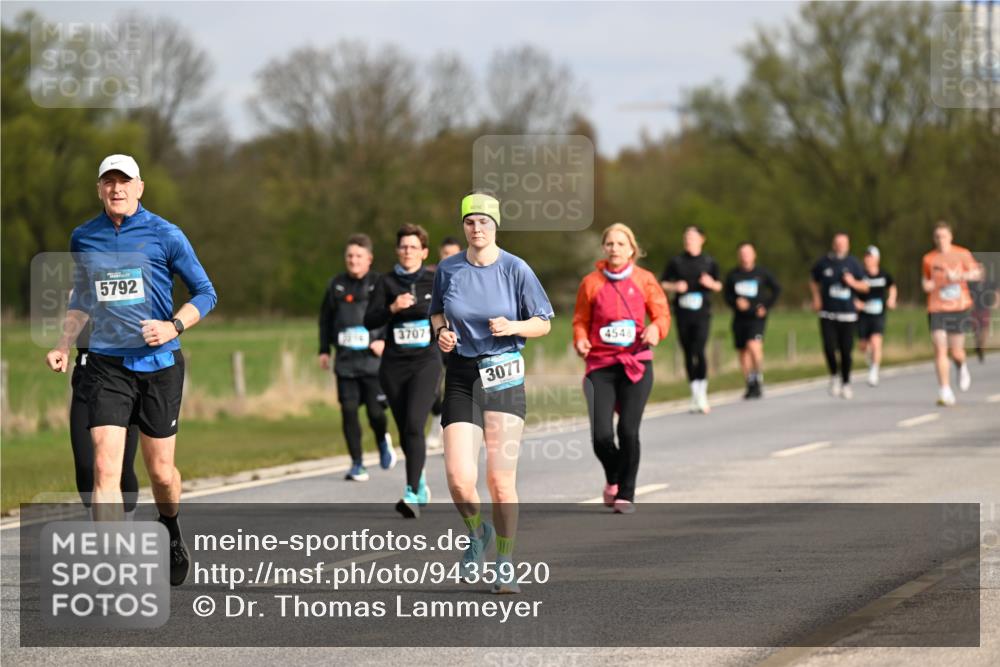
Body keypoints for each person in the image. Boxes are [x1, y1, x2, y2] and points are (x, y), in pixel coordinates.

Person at [45, 154, 217, 586]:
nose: (116, 188)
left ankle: (170, 526)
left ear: (140, 187)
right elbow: (82, 296)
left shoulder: (166, 234)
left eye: (124, 181)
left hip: (159, 366)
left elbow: (205, 292)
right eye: (109, 182)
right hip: (107, 365)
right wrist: (64, 344)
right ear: (99, 189)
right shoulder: (84, 236)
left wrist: (173, 325)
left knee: (161, 473)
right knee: (105, 469)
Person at [430, 191, 553, 594]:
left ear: (495, 225)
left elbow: (543, 322)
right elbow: (437, 312)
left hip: (504, 375)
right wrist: (442, 333)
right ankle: (476, 533)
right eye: (469, 222)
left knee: (500, 481)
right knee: (458, 479)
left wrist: (514, 326)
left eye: (483, 221)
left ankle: (504, 562)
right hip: (462, 374)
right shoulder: (448, 269)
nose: (476, 228)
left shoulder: (516, 269)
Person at [573, 223, 669, 514]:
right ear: (604, 248)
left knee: (628, 430)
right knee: (601, 436)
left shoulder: (644, 279)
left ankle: (626, 492)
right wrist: (580, 339)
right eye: (610, 243)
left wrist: (656, 329)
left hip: (636, 364)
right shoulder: (591, 282)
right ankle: (614, 475)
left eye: (620, 244)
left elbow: (662, 314)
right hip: (600, 366)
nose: (615, 248)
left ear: (631, 250)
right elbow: (580, 320)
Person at [364, 224, 441, 518]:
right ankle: (419, 481)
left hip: (425, 363)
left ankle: (410, 492)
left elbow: (450, 313)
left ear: (424, 252)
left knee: (414, 425)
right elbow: (370, 321)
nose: (408, 251)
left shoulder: (435, 281)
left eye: (413, 247)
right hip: (394, 366)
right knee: (404, 430)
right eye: (403, 247)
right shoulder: (385, 282)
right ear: (397, 251)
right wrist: (392, 308)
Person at [318, 234, 393, 482]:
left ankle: (382, 440)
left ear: (369, 259)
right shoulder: (336, 285)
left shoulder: (379, 283)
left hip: (373, 362)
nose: (353, 260)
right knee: (349, 411)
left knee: (375, 413)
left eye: (358, 256)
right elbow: (325, 320)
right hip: (346, 362)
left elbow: (391, 315)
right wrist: (324, 350)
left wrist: (384, 340)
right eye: (349, 256)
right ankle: (357, 463)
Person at [70, 319, 141, 517]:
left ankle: (127, 522)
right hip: (86, 382)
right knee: (85, 466)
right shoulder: (80, 302)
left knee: (122, 467)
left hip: (124, 383)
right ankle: (93, 522)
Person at [660, 226, 721, 413]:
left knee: (699, 349)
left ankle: (702, 392)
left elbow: (719, 285)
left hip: (702, 313)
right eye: (686, 237)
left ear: (702, 239)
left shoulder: (709, 262)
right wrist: (675, 286)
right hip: (682, 313)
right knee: (687, 351)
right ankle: (694, 393)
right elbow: (662, 283)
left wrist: (710, 283)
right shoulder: (676, 262)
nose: (688, 240)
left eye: (692, 237)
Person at [922, 221, 983, 406]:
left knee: (956, 352)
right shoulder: (929, 258)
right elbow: (925, 281)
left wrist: (959, 277)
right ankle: (945, 390)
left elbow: (977, 273)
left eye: (944, 236)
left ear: (951, 237)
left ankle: (961, 366)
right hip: (937, 308)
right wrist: (928, 285)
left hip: (959, 307)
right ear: (934, 238)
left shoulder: (962, 253)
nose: (941, 239)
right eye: (937, 236)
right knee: (940, 349)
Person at [809, 232, 869, 400]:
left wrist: (853, 283)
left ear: (848, 245)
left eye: (844, 243)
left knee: (845, 351)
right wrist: (816, 297)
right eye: (838, 243)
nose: (841, 246)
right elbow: (813, 279)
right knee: (829, 347)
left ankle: (846, 382)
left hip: (847, 315)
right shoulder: (824, 262)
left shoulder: (854, 263)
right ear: (833, 244)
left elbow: (865, 286)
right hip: (827, 313)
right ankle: (834, 375)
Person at [723, 242, 781, 399]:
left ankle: (758, 377)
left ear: (754, 255)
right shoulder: (733, 275)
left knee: (753, 346)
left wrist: (766, 307)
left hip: (756, 318)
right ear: (738, 256)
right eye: (742, 253)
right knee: (743, 351)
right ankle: (749, 382)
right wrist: (735, 302)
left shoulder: (762, 273)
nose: (745, 256)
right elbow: (726, 295)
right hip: (739, 318)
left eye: (748, 253)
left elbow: (776, 289)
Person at [427, 236, 464, 449]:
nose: (448, 258)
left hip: (459, 339)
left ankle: (451, 435)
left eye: (452, 254)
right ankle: (436, 419)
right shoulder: (431, 275)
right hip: (434, 338)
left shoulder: (468, 274)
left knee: (455, 387)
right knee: (432, 384)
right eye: (445, 254)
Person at [855, 246, 897, 387]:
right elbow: (852, 290)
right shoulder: (860, 275)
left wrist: (891, 299)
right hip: (863, 315)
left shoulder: (884, 275)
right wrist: (856, 303)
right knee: (863, 346)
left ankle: (874, 370)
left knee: (876, 341)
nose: (868, 259)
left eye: (870, 257)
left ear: (877, 259)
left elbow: (892, 286)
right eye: (866, 257)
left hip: (878, 314)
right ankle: (870, 358)